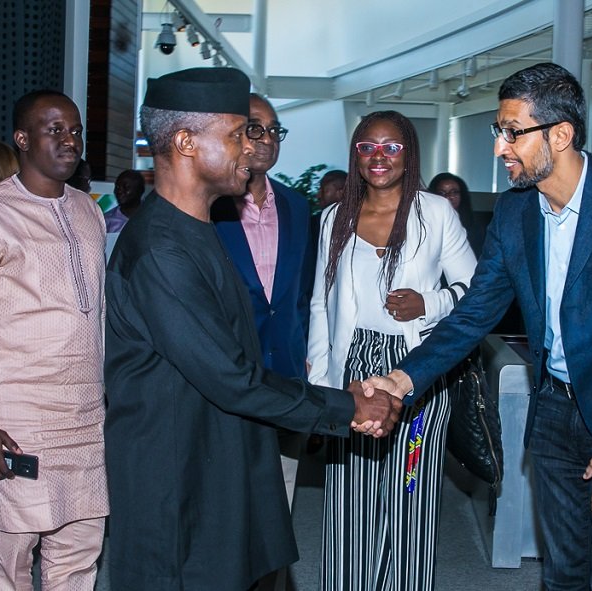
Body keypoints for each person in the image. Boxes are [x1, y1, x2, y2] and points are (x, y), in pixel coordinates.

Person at [366, 63, 592, 591]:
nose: (501, 148)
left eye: (512, 131)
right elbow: (475, 312)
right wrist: (402, 380)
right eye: (499, 132)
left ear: (561, 134)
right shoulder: (516, 213)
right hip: (552, 417)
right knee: (562, 573)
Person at [103, 67, 401, 591]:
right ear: (186, 142)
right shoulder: (160, 250)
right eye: (238, 133)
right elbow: (231, 378)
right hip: (177, 477)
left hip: (222, 456)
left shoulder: (196, 229)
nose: (252, 148)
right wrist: (347, 406)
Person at [307, 110, 477, 591]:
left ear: (409, 153)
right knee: (348, 497)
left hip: (418, 373)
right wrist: (323, 382)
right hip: (353, 367)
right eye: (368, 146)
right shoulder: (332, 219)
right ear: (356, 154)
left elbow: (477, 290)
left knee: (410, 493)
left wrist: (430, 303)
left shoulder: (435, 213)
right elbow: (321, 302)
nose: (379, 156)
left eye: (391, 146)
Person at [0, 90, 108, 589]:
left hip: (85, 417)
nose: (68, 139)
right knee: (12, 555)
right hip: (17, 420)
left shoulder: (88, 210)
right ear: (22, 139)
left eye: (74, 129)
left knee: (79, 553)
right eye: (54, 130)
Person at [211, 93, 313, 510]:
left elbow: (302, 296)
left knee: (278, 507)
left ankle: (270, 580)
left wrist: (307, 356)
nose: (267, 140)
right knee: (226, 507)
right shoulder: (209, 207)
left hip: (286, 377)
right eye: (255, 128)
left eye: (274, 131)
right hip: (225, 377)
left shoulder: (296, 205)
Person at [427, 172, 485, 255]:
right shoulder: (423, 225)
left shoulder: (475, 227)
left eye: (454, 192)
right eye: (441, 193)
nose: (448, 197)